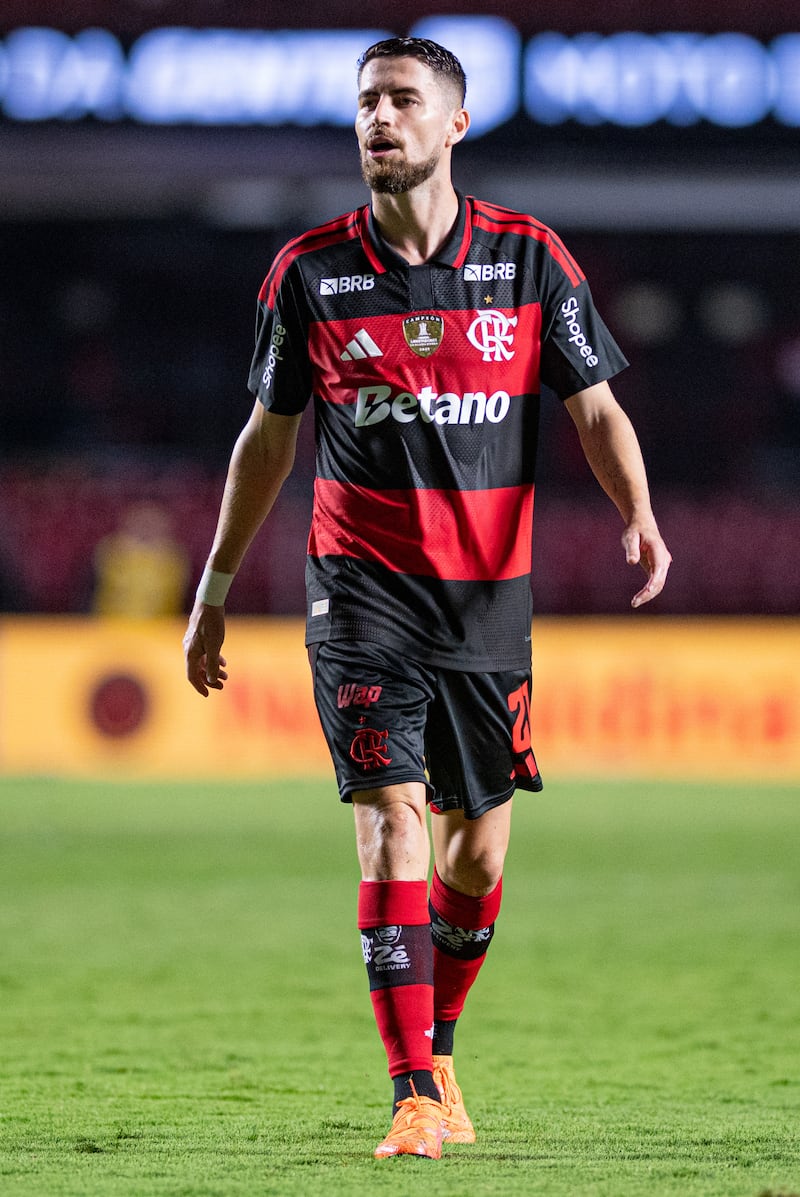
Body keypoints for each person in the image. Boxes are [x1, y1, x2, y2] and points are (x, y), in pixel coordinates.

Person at [183, 36, 671, 1162]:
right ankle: (409, 1093)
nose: (379, 119)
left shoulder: (526, 260)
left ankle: (439, 1044)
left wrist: (637, 512)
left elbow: (594, 407)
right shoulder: (307, 273)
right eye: (365, 102)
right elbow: (267, 440)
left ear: (454, 122)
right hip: (360, 596)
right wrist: (213, 586)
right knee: (389, 824)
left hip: (488, 603)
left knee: (474, 859)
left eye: (403, 100)